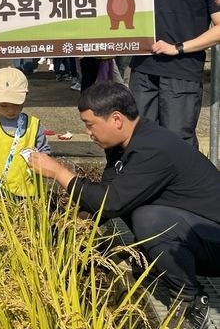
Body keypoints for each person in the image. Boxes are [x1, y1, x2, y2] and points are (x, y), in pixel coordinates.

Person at [27, 82, 220, 329]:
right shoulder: (122, 146)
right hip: (196, 231)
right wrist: (73, 228)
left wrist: (59, 173)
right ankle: (161, 265)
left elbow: (110, 203)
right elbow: (106, 194)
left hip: (214, 239)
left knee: (147, 219)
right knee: (135, 207)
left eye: (89, 124)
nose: (88, 133)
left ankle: (192, 301)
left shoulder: (152, 148)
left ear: (116, 119)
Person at [129, 0, 220, 147]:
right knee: (139, 137)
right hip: (143, 69)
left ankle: (183, 185)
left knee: (177, 141)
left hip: (182, 73)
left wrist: (178, 48)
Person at [0, 66, 50, 202]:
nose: (10, 110)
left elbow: (45, 153)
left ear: (25, 96)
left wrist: (39, 164)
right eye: (4, 105)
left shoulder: (34, 125)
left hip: (29, 193)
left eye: (16, 104)